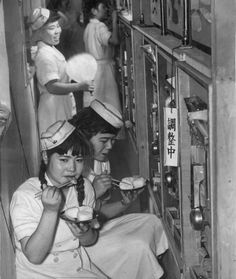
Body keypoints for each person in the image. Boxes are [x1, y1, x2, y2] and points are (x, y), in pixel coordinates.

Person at [69, 99, 169, 279]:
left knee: (152, 222)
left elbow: (99, 212)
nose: (109, 147)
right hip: (76, 244)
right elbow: (70, 222)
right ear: (84, 135)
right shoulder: (69, 165)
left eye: (112, 141)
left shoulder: (99, 162)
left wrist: (124, 203)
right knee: (138, 246)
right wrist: (93, 191)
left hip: (94, 229)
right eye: (104, 140)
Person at [10, 120, 108, 279]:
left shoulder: (85, 188)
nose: (72, 168)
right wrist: (50, 211)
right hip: (39, 274)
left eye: (79, 160)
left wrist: (84, 234)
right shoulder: (26, 195)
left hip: (75, 268)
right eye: (64, 160)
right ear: (45, 157)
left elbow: (90, 240)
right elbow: (34, 256)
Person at [29, 8, 94, 135]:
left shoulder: (50, 48)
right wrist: (80, 86)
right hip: (53, 108)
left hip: (60, 104)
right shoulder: (45, 55)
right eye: (52, 28)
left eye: (58, 26)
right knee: (59, 144)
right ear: (39, 31)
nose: (57, 31)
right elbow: (52, 87)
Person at [83, 0, 121, 112]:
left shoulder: (89, 26)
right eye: (103, 7)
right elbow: (114, 40)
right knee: (109, 105)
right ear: (94, 11)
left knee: (94, 104)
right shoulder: (99, 26)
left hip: (92, 69)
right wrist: (114, 21)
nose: (105, 10)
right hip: (103, 70)